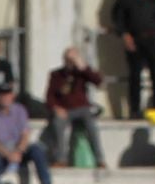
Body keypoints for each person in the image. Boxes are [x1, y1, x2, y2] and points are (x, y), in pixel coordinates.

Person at [45, 47, 108, 176]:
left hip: (82, 108)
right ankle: (60, 159)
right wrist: (56, 108)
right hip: (64, 109)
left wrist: (83, 66)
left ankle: (100, 159)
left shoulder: (82, 73)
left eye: (73, 59)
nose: (71, 62)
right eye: (69, 59)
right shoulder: (56, 75)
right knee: (58, 123)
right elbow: (49, 97)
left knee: (91, 125)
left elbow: (99, 82)